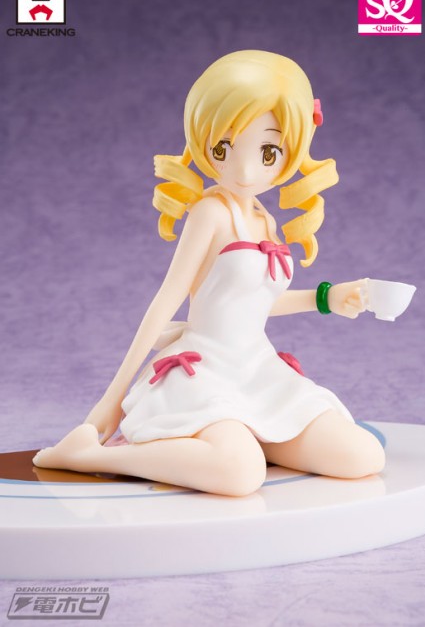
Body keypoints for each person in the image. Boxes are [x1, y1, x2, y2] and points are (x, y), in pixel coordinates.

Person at [33, 50, 385, 496]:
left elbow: (253, 303)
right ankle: (86, 456)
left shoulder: (265, 220)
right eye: (224, 148)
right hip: (206, 373)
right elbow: (167, 299)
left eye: (268, 151)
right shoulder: (210, 213)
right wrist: (112, 399)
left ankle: (248, 438)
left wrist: (327, 298)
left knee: (362, 456)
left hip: (256, 369)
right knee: (239, 474)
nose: (244, 170)